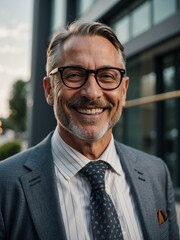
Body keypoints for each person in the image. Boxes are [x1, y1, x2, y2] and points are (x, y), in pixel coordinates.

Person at [0, 20, 179, 240]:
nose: (92, 92)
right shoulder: (4, 185)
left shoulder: (156, 173)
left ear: (123, 91)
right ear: (49, 90)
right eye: (74, 74)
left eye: (107, 76)